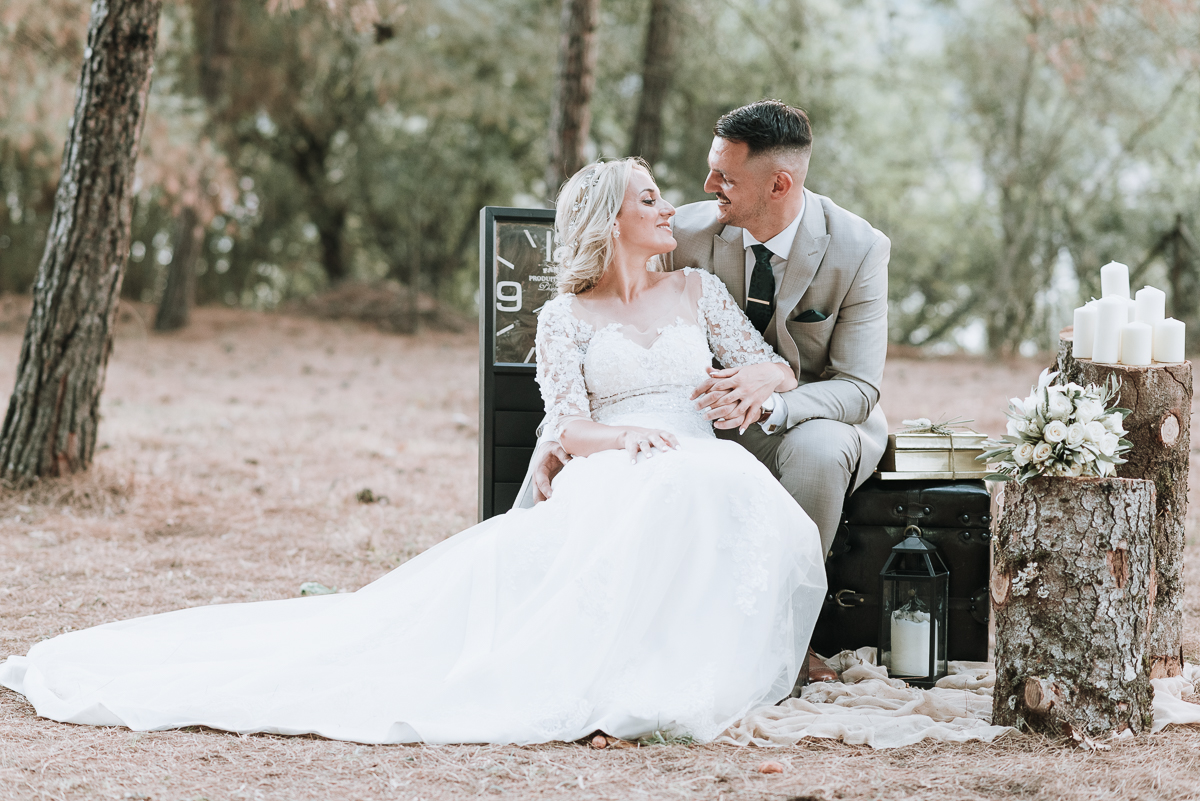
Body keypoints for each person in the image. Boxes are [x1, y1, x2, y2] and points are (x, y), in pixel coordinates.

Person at [0, 158, 826, 746]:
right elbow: (566, 425)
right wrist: (621, 436)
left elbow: (773, 365)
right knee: (650, 499)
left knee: (715, 489)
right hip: (617, 462)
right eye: (649, 199)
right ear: (612, 220)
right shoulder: (565, 317)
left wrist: (761, 375)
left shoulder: (697, 291)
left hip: (697, 457)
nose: (668, 209)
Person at [531, 100, 889, 685]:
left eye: (725, 176)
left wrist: (773, 384)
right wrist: (561, 435)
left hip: (802, 413)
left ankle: (783, 635)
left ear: (778, 184)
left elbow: (858, 384)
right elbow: (577, 385)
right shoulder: (683, 234)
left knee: (815, 453)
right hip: (674, 427)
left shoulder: (859, 248)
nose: (702, 189)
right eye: (709, 169)